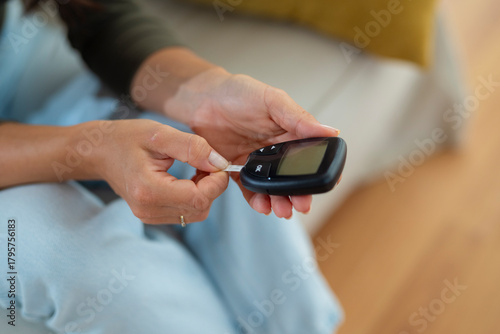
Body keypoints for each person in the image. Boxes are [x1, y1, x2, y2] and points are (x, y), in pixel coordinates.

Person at [0, 0, 343, 333]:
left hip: (15, 58)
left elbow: (102, 16)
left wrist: (205, 95)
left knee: (222, 158)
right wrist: (90, 148)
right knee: (88, 267)